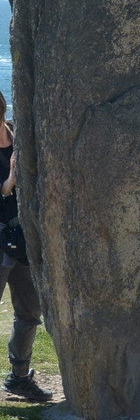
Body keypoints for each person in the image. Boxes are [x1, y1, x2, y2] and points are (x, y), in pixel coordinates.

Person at [0, 92, 51, 402]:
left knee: (30, 312)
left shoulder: (16, 133)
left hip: (23, 241)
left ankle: (19, 377)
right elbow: (5, 188)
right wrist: (9, 182)